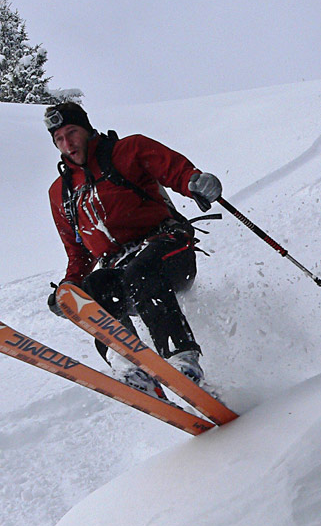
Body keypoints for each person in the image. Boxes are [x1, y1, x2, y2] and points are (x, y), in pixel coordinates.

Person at [43, 101, 223, 396]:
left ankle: (182, 362)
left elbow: (176, 171)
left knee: (140, 271)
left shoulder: (127, 150)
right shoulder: (60, 192)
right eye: (59, 138)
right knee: (92, 292)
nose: (67, 143)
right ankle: (130, 367)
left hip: (167, 249)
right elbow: (78, 253)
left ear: (86, 129)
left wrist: (195, 182)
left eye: (72, 132)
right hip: (120, 267)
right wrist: (69, 290)